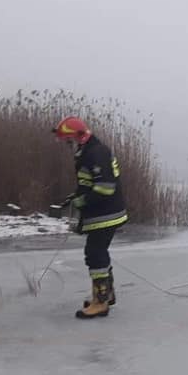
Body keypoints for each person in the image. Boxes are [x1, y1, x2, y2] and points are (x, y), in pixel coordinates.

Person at [52, 116, 128, 319]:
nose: (68, 145)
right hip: (102, 212)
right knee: (98, 252)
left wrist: (82, 201)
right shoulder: (88, 150)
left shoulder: (96, 152)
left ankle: (100, 302)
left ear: (79, 136)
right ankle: (106, 294)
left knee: (95, 254)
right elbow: (89, 182)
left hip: (106, 214)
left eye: (69, 140)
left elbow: (105, 187)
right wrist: (76, 196)